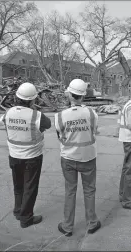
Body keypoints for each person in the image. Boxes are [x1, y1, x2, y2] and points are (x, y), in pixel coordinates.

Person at [0, 82, 51, 228]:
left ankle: (18, 210)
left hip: (14, 156)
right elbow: (47, 125)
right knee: (30, 187)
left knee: (18, 185)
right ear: (33, 100)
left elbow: (5, 124)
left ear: (17, 97)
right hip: (32, 157)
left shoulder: (8, 112)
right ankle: (26, 218)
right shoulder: (36, 114)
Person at [55, 79, 101, 236]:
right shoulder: (92, 114)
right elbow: (94, 131)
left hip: (68, 158)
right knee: (89, 190)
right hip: (88, 157)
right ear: (83, 96)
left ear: (69, 95)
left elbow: (60, 135)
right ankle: (92, 223)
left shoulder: (60, 116)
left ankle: (67, 226)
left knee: (70, 191)